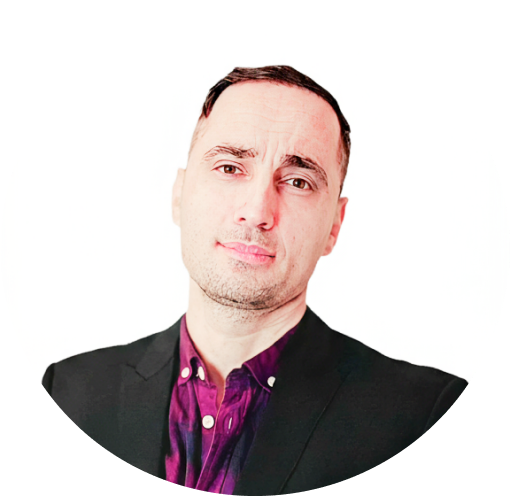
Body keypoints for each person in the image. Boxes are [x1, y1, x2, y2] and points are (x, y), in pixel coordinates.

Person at [42, 66, 468, 494]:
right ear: (179, 194)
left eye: (298, 181)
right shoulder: (71, 394)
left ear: (334, 226)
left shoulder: (422, 417)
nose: (257, 211)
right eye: (230, 168)